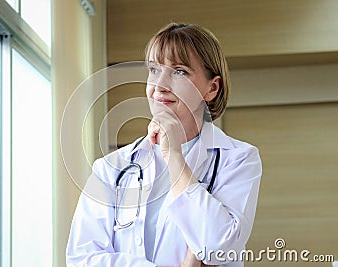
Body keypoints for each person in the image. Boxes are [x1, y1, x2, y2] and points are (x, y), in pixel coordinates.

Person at [66, 23, 262, 267]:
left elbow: (218, 247)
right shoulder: (111, 168)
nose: (160, 85)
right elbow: (82, 259)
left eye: (179, 71)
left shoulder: (238, 159)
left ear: (211, 88)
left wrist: (174, 156)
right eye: (154, 69)